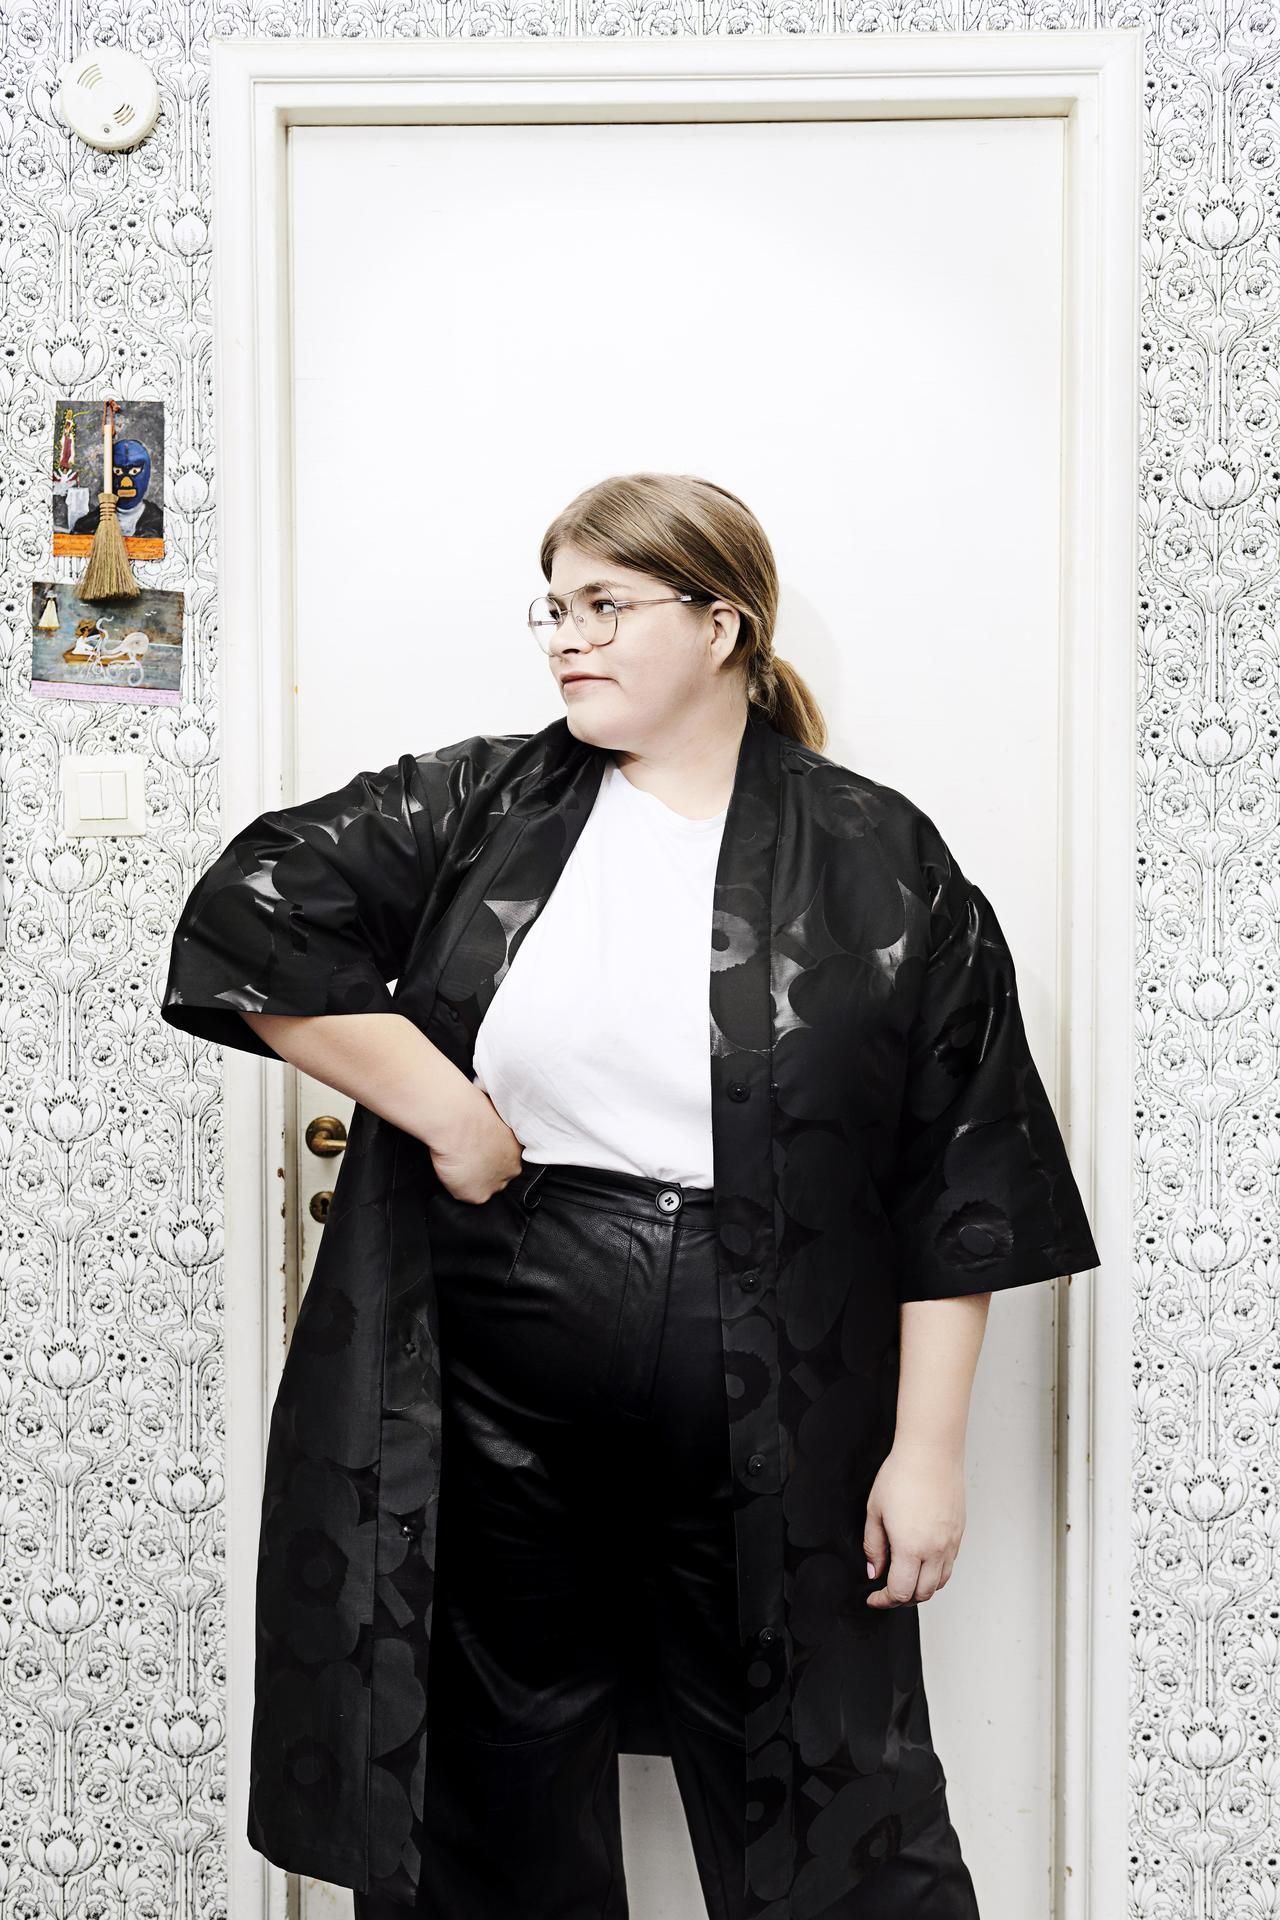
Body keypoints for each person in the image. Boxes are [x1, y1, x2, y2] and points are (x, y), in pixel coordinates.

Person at [161, 471, 1101, 1919]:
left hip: (778, 1362)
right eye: (554, 607)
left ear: (723, 625)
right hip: (504, 1356)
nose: (567, 639)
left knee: (825, 1772)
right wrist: (448, 1115)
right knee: (497, 1763)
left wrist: (927, 1453)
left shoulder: (879, 857)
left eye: (605, 605)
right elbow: (247, 917)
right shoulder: (479, 802)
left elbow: (956, 1169)